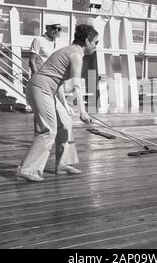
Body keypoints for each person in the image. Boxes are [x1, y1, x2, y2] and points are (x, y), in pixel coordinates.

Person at [17, 24, 99, 182]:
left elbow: (57, 81)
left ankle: (63, 163)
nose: (96, 46)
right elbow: (76, 85)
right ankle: (27, 169)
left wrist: (65, 105)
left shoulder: (69, 50)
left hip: (47, 89)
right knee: (49, 130)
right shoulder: (76, 54)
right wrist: (83, 112)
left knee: (66, 122)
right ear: (88, 41)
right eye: (96, 42)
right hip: (40, 88)